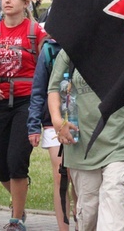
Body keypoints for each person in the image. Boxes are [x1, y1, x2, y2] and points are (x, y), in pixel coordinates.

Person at [47, 50, 124, 230]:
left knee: (114, 204)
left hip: (121, 142)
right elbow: (54, 90)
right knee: (88, 214)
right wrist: (57, 120)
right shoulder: (71, 50)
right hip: (82, 147)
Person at [0, 0, 47, 230]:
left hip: (27, 102)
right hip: (0, 101)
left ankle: (16, 219)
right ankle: (18, 201)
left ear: (25, 2)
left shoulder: (35, 32)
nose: (6, 1)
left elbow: (46, 67)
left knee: (17, 160)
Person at [27, 37, 76, 230]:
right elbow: (38, 90)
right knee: (61, 175)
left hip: (83, 120)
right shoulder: (49, 49)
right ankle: (63, 226)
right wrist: (33, 125)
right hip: (52, 121)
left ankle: (83, 219)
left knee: (78, 176)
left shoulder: (90, 40)